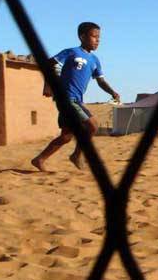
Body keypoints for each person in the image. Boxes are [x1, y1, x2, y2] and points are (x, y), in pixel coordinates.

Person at [31, 22, 119, 172]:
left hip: (77, 100)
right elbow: (49, 64)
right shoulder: (71, 52)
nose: (97, 40)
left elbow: (101, 81)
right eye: (94, 36)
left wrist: (112, 92)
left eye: (99, 37)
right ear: (82, 37)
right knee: (92, 126)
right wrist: (48, 85)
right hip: (67, 98)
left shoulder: (95, 60)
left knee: (66, 136)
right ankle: (77, 155)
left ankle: (39, 159)